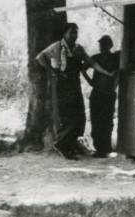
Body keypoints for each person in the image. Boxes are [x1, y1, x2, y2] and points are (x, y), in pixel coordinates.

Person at [35, 23, 114, 160]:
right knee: (66, 114)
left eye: (76, 33)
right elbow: (40, 57)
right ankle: (62, 145)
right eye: (71, 32)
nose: (74, 35)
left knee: (80, 117)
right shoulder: (56, 47)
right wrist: (52, 71)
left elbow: (93, 64)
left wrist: (107, 73)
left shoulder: (78, 49)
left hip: (74, 84)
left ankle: (69, 145)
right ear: (65, 33)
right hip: (61, 84)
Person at [85, 35, 120, 158]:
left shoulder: (116, 58)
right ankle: (99, 149)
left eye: (105, 44)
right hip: (97, 93)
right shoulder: (96, 58)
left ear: (110, 46)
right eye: (101, 44)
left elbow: (120, 71)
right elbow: (83, 67)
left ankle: (106, 148)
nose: (102, 47)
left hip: (109, 93)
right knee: (96, 120)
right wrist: (90, 81)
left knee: (107, 121)